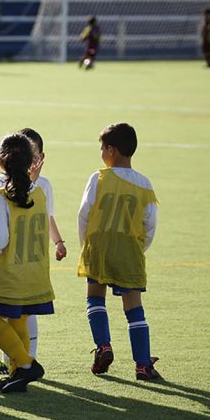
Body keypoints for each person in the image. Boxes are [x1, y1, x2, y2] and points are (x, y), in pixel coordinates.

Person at [0, 133, 53, 393]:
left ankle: (26, 364)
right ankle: (18, 374)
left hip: (7, 277)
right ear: (31, 162)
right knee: (19, 321)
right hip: (34, 274)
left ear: (0, 163)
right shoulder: (39, 193)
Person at [78, 122, 160, 380]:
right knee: (133, 306)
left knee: (95, 297)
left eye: (102, 148)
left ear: (111, 150)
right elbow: (150, 223)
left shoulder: (98, 177)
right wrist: (139, 249)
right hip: (129, 249)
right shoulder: (145, 184)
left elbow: (84, 213)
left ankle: (103, 346)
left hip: (99, 245)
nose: (101, 153)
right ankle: (143, 364)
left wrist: (86, 245)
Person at [0, 128, 67, 376]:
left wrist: (58, 241)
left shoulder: (43, 187)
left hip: (29, 257)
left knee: (25, 312)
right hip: (8, 258)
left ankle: (28, 359)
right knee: (8, 313)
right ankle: (11, 360)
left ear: (40, 157)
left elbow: (47, 217)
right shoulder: (2, 182)